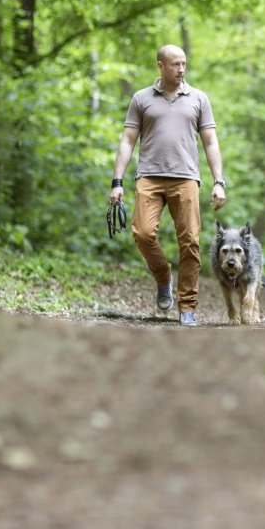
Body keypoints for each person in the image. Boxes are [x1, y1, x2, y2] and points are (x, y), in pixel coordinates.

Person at [109, 44, 227, 326]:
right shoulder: (141, 98)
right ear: (160, 65)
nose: (181, 69)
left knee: (190, 242)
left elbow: (210, 142)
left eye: (184, 63)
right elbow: (127, 141)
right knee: (142, 233)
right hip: (149, 176)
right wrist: (117, 181)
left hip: (186, 177)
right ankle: (163, 277)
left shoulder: (198, 98)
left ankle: (187, 306)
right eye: (175, 64)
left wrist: (219, 181)